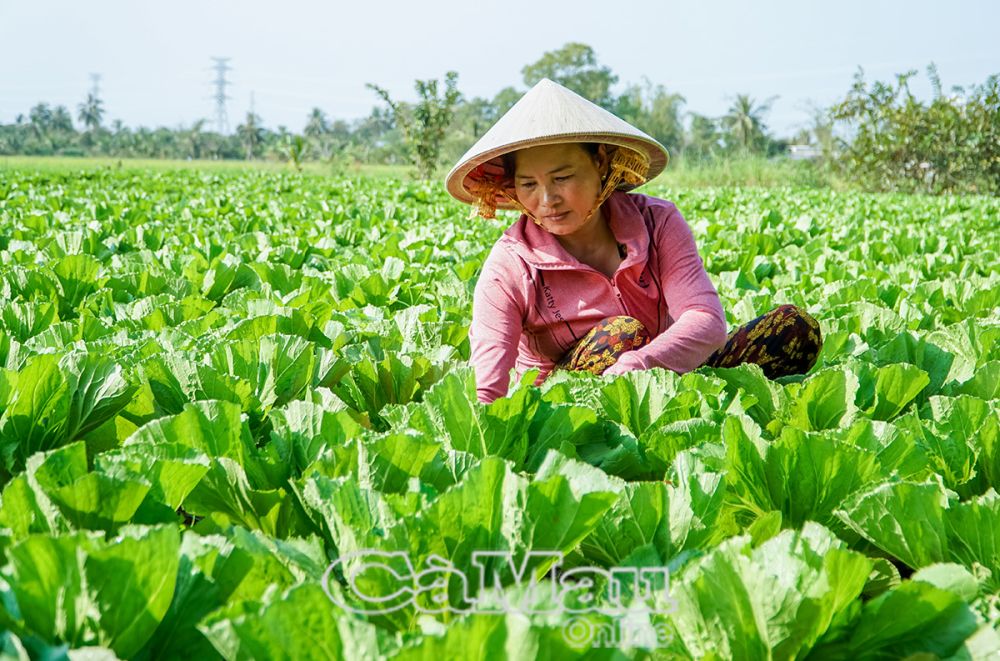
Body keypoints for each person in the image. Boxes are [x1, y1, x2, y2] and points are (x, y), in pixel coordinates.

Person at [445, 79, 822, 404]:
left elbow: (705, 321)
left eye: (562, 178)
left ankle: (689, 410)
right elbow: (488, 381)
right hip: (569, 407)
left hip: (663, 374)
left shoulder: (657, 222)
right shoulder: (511, 264)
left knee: (792, 328)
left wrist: (639, 368)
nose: (547, 200)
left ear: (601, 163)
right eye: (529, 184)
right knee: (622, 333)